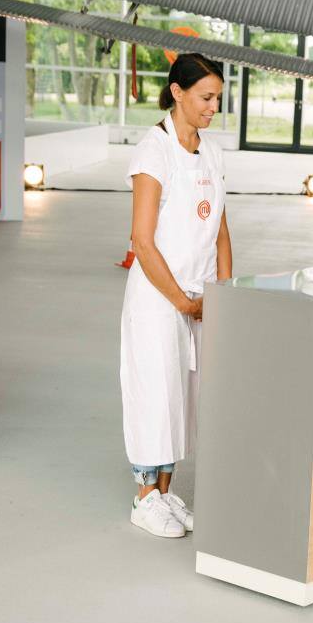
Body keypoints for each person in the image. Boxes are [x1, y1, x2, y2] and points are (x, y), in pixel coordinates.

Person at [120, 53, 232, 538]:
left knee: (183, 399)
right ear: (177, 92)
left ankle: (166, 493)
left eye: (218, 99)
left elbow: (221, 231)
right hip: (159, 299)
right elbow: (142, 241)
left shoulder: (212, 153)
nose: (213, 108)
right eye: (206, 98)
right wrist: (182, 302)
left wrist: (222, 293)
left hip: (200, 299)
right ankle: (144, 498)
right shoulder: (154, 152)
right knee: (155, 393)